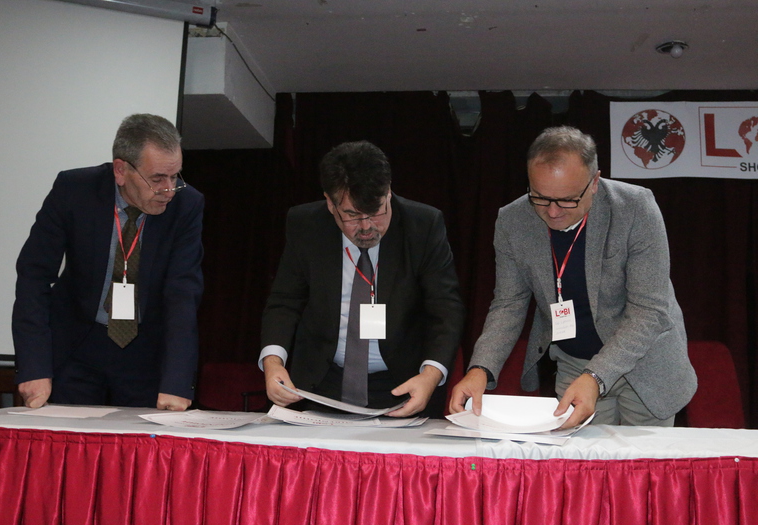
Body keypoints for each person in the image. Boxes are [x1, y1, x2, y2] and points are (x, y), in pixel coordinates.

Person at [449, 126, 697, 427]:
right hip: (574, 363)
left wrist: (596, 377)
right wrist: (480, 368)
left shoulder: (635, 208)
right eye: (540, 197)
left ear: (594, 182)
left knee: (641, 457)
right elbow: (508, 304)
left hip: (645, 364)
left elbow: (648, 311)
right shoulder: (512, 220)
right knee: (583, 455)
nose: (553, 212)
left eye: (567, 200)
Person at [13, 113, 204, 411]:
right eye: (157, 179)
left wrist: (177, 381)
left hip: (145, 353)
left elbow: (183, 293)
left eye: (175, 176)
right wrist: (34, 366)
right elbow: (33, 275)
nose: (169, 189)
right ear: (120, 170)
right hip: (75, 345)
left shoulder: (187, 204)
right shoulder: (74, 190)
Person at [260, 140, 464, 417]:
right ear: (330, 203)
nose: (366, 227)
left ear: (388, 192)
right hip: (320, 383)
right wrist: (273, 363)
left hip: (404, 382)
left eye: (376, 212)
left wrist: (430, 375)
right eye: (352, 215)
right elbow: (285, 301)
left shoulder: (423, 225)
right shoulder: (306, 225)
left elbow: (445, 308)